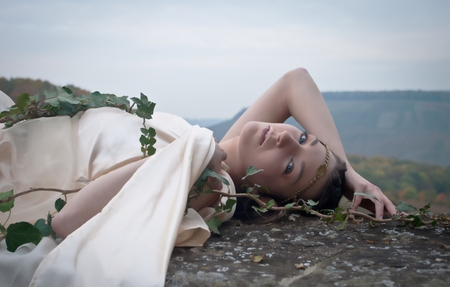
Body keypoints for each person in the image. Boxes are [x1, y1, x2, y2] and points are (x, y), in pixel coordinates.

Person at [46, 67, 397, 239]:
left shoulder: (213, 182)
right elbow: (296, 81)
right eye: (305, 137)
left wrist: (193, 155)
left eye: (290, 166)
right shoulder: (228, 149)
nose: (287, 140)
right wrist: (347, 171)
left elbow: (67, 222)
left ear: (261, 195)